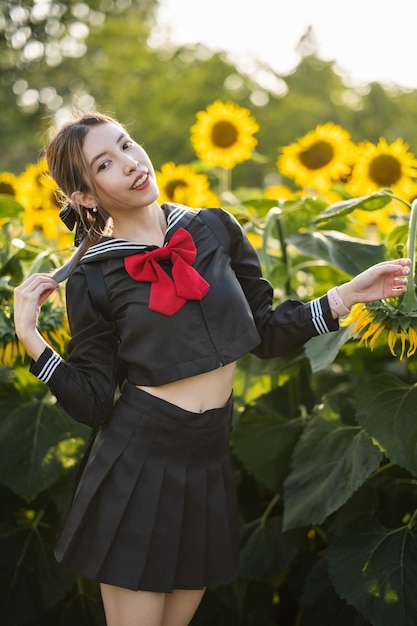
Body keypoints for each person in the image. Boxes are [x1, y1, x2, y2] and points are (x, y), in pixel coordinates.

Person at [13, 112, 411, 626]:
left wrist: (343, 297)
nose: (133, 163)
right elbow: (92, 402)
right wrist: (34, 343)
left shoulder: (214, 228)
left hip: (207, 454)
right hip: (139, 459)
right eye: (106, 163)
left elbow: (263, 332)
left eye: (127, 144)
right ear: (86, 196)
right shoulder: (92, 278)